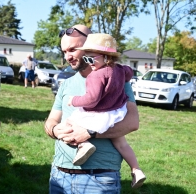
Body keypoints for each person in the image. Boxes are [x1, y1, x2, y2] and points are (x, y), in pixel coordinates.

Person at [44, 25, 140, 193]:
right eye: (64, 51)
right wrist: (54, 130)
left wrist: (90, 133)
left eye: (73, 49)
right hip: (59, 175)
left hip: (99, 178)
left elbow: (132, 122)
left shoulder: (116, 79)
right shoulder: (66, 84)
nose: (68, 56)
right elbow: (51, 120)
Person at [66, 33, 146, 188]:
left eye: (91, 59)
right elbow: (130, 72)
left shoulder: (96, 75)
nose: (89, 63)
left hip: (97, 114)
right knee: (122, 143)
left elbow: (92, 99)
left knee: (71, 120)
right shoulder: (120, 70)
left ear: (105, 56)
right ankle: (136, 169)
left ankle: (84, 144)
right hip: (116, 113)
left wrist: (74, 100)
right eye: (86, 59)